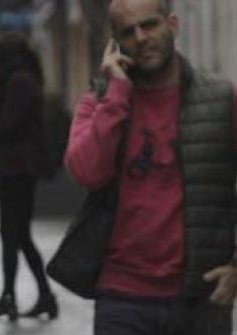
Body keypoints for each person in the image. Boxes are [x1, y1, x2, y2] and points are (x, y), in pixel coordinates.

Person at [64, 0, 237, 333]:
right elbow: (86, 172)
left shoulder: (220, 99)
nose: (141, 37)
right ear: (115, 44)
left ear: (172, 24)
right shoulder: (99, 103)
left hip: (200, 298)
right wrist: (117, 94)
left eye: (150, 25)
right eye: (128, 32)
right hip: (122, 299)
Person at [0, 31, 58, 321]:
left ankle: (13, 297)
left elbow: (8, 125)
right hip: (18, 169)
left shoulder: (20, 81)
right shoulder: (26, 78)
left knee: (13, 235)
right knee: (19, 236)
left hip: (18, 169)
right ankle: (39, 296)